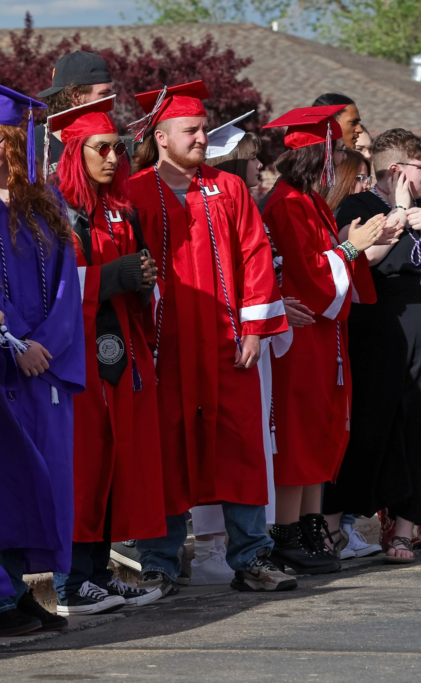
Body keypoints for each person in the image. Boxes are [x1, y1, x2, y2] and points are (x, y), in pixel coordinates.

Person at [127, 80, 296, 594]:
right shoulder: (134, 193)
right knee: (164, 449)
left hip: (227, 344)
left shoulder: (229, 189)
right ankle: (159, 562)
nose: (203, 138)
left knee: (240, 448)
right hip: (164, 346)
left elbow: (255, 256)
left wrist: (254, 329)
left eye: (203, 129)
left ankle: (252, 559)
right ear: (161, 136)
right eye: (191, 130)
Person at [325, 128, 421, 563]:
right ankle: (332, 528)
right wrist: (397, 215)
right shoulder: (359, 205)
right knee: (369, 427)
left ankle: (404, 531)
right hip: (380, 334)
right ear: (396, 170)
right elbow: (357, 256)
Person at [48, 96, 167, 613]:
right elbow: (48, 289)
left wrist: (143, 281)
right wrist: (110, 277)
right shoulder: (54, 211)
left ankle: (99, 574)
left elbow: (135, 282)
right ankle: (72, 583)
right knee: (83, 467)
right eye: (102, 148)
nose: (114, 157)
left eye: (118, 147)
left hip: (119, 354)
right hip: (73, 359)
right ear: (75, 152)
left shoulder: (119, 211)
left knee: (114, 463)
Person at [260, 105, 385, 573]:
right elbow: (309, 272)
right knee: (298, 431)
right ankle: (288, 533)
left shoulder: (308, 201)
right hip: (299, 333)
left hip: (321, 331)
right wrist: (353, 245)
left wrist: (354, 243)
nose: (337, 165)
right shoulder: (286, 203)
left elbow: (326, 258)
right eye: (333, 154)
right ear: (317, 156)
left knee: (318, 428)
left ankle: (312, 524)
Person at [0, 85, 85, 636]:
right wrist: (15, 345)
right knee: (6, 481)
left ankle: (20, 589)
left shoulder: (46, 207)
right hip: (6, 366)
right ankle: (7, 596)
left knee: (39, 481)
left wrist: (45, 346)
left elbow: (67, 289)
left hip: (44, 367)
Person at [35, 51, 115, 177]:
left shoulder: (111, 144)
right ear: (76, 96)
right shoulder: (33, 144)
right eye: (104, 94)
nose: (110, 102)